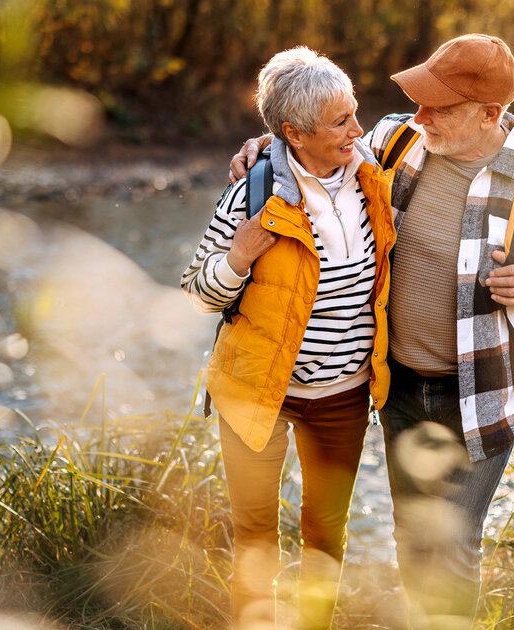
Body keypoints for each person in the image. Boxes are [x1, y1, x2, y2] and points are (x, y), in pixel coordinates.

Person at [231, 34, 514, 628]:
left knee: (453, 545)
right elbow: (316, 151)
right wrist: (268, 149)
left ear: (490, 113)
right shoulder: (395, 141)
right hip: (401, 388)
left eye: (439, 107)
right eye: (419, 100)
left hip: (487, 393)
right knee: (413, 536)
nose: (420, 115)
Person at [181, 46, 396, 630]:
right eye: (340, 122)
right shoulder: (250, 194)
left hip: (343, 396)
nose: (358, 130)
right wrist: (237, 260)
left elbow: (454, 122)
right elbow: (198, 290)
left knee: (326, 537)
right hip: (256, 392)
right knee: (254, 538)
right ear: (294, 134)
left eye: (355, 113)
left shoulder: (374, 173)